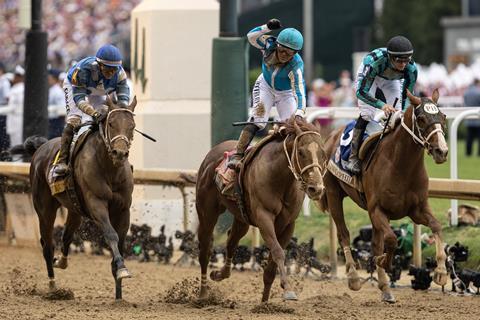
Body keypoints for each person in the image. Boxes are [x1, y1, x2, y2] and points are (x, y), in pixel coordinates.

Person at [227, 18, 306, 169]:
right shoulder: (268, 45)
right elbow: (251, 37)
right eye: (282, 50)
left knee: (291, 126)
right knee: (259, 120)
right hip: (265, 86)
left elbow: (300, 93)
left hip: (286, 94)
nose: (284, 56)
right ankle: (237, 154)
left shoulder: (296, 66)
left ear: (295, 53)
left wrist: (299, 113)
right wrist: (267, 27)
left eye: (290, 54)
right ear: (277, 45)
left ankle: (292, 164)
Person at [52, 44, 130, 176]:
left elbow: (123, 93)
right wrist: (93, 113)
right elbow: (79, 98)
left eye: (114, 70)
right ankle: (62, 160)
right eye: (108, 69)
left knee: (106, 115)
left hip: (98, 91)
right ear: (99, 65)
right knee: (75, 119)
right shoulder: (82, 70)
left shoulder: (120, 73)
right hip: (75, 87)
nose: (112, 73)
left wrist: (122, 107)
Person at [345, 36, 418, 174]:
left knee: (398, 114)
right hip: (370, 77)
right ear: (390, 57)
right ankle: (353, 157)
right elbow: (361, 92)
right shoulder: (373, 62)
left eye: (406, 60)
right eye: (399, 60)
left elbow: (407, 96)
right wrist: (381, 105)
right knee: (367, 113)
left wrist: (402, 112)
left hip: (391, 81)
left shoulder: (411, 69)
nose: (403, 65)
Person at [0, 65, 25, 147]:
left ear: (19, 77)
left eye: (15, 76)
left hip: (17, 120)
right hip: (13, 120)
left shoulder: (21, 89)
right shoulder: (15, 88)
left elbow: (15, 107)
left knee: (17, 144)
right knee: (13, 143)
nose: (13, 78)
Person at [463, 79, 480, 157]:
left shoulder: (466, 92)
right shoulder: (478, 92)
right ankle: (479, 153)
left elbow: (465, 103)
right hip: (477, 118)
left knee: (469, 138)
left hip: (468, 118)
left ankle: (468, 153)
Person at [47, 68, 66, 139]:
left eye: (49, 77)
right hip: (52, 121)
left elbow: (62, 110)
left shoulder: (57, 91)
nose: (48, 79)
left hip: (57, 122)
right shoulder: (52, 89)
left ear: (54, 78)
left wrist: (50, 109)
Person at [0, 62, 11, 151]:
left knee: (2, 133)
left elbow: (7, 97)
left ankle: (3, 151)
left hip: (2, 110)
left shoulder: (4, 82)